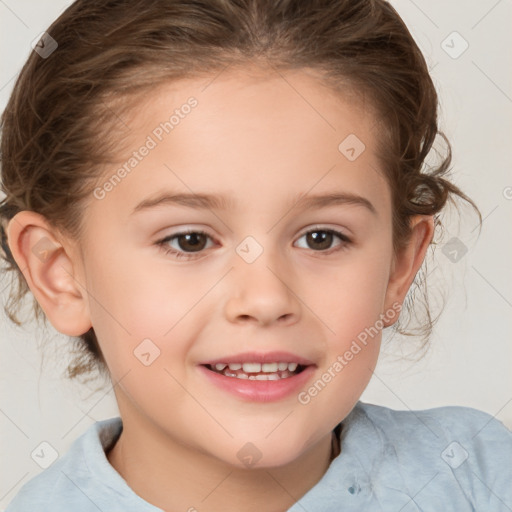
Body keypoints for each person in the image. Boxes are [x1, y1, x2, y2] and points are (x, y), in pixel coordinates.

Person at [1, 0, 510, 510]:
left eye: (321, 238)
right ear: (60, 272)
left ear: (399, 267)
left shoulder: (481, 476)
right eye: (189, 240)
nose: (265, 299)